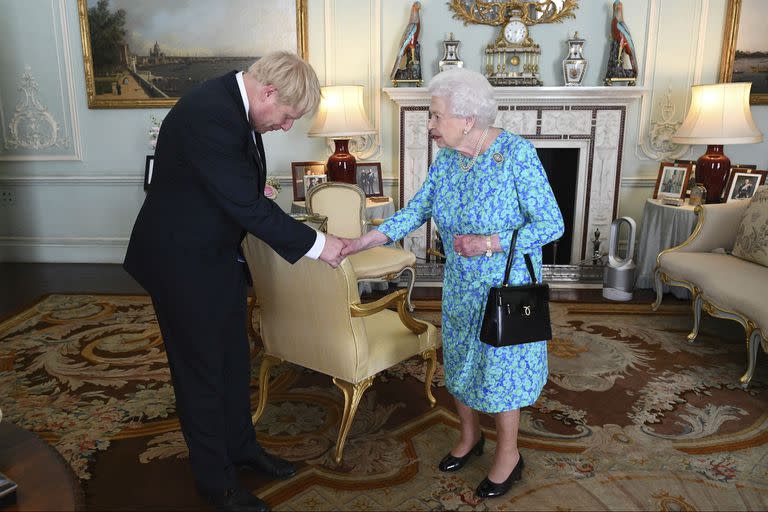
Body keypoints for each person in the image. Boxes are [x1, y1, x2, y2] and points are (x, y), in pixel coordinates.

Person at [124, 51, 346, 512]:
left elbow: (236, 190)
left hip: (216, 255)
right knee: (201, 372)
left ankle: (243, 449)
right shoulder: (210, 113)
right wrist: (321, 245)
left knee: (232, 360)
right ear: (268, 92)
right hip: (180, 262)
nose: (286, 127)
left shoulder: (233, 102)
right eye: (287, 117)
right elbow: (246, 205)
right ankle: (216, 482)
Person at [341, 68, 564, 499]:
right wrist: (365, 239)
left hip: (506, 285)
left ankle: (509, 454)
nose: (430, 124)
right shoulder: (448, 158)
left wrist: (488, 243)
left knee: (501, 372)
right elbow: (418, 208)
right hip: (461, 284)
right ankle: (469, 437)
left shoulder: (516, 154)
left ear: (466, 118)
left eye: (435, 115)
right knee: (460, 361)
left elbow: (552, 223)